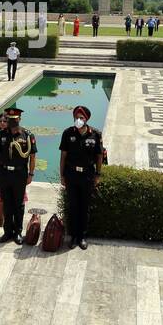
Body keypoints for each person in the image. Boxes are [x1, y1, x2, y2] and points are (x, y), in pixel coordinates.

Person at [59, 105, 104, 250]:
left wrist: (98, 174)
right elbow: (63, 156)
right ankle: (73, 237)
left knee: (84, 207)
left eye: (81, 117)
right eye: (76, 117)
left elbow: (99, 157)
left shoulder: (95, 134)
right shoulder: (67, 133)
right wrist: (62, 175)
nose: (78, 120)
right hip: (71, 175)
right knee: (73, 207)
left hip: (87, 176)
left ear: (86, 119)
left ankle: (82, 236)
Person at [0, 107, 35, 243]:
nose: (12, 122)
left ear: (19, 119)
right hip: (4, 173)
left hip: (20, 173)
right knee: (7, 203)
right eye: (9, 119)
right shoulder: (1, 135)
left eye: (14, 119)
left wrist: (31, 174)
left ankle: (18, 232)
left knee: (19, 204)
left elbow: (32, 157)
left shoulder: (27, 135)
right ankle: (7, 231)